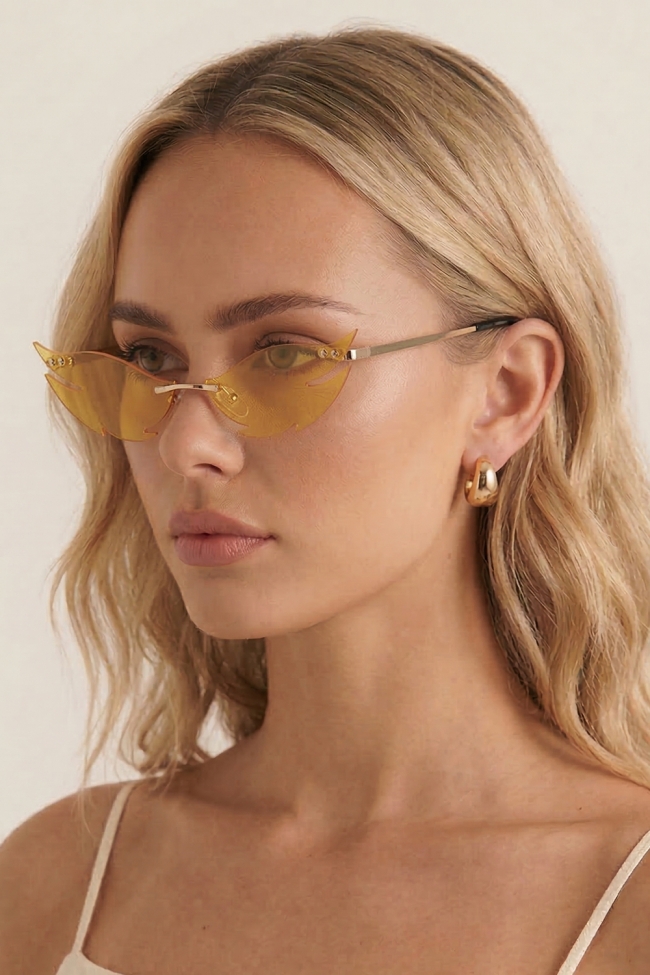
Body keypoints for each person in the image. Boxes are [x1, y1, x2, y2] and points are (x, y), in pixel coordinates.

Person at [2, 24, 650, 975]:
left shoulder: (626, 900)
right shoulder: (56, 888)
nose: (185, 442)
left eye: (284, 354)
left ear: (506, 394)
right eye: (149, 357)